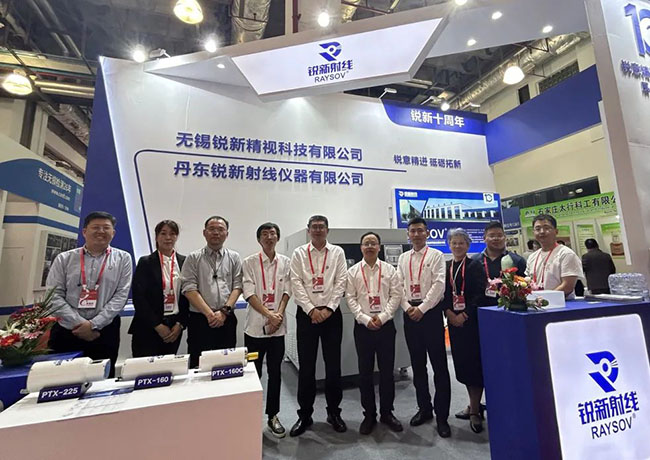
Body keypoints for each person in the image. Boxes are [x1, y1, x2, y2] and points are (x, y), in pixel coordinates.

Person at [46, 211, 132, 377]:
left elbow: (121, 296)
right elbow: (53, 295)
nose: (101, 231)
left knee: (102, 379)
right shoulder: (64, 259)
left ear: (113, 233)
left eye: (106, 228)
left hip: (104, 331)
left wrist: (93, 324)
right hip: (67, 330)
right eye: (96, 227)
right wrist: (80, 324)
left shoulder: (123, 259)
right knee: (62, 379)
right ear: (84, 231)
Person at [289, 215, 348, 437]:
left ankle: (334, 413)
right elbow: (296, 283)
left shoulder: (338, 252)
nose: (317, 230)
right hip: (307, 316)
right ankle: (305, 415)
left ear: (327, 230)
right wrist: (311, 310)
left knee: (333, 367)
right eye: (313, 227)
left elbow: (341, 281)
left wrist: (329, 309)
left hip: (332, 315)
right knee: (307, 367)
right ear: (308, 230)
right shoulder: (299, 253)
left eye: (321, 227)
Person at [396, 217, 451, 438]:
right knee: (418, 366)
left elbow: (439, 285)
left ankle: (442, 416)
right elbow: (398, 285)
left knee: (439, 366)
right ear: (408, 234)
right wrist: (408, 307)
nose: (417, 234)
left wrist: (422, 308)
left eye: (420, 230)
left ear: (427, 233)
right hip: (410, 314)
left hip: (431, 315)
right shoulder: (403, 258)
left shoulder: (436, 255)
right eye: (413, 231)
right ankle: (424, 409)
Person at [346, 232, 403, 435]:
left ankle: (387, 413)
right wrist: (365, 319)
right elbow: (350, 298)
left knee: (387, 372)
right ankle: (369, 415)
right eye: (366, 243)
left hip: (385, 327)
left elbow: (396, 295)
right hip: (363, 328)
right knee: (365, 373)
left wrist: (383, 316)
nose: (369, 246)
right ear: (361, 247)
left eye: (373, 243)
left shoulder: (389, 270)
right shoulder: (353, 272)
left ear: (379, 247)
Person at [242, 222, 291, 438]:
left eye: (272, 233)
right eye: (264, 234)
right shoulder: (249, 262)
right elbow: (249, 293)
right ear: (259, 239)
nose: (269, 237)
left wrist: (277, 316)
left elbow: (287, 291)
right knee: (253, 374)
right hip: (255, 329)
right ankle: (250, 418)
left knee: (275, 373)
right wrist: (269, 315)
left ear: (277, 237)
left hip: (277, 331)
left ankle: (273, 416)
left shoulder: (286, 262)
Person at [180, 216, 243, 368]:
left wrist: (224, 312)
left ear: (227, 234)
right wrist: (210, 314)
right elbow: (189, 288)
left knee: (226, 363)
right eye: (212, 229)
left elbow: (238, 286)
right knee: (198, 364)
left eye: (220, 229)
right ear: (204, 233)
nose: (216, 233)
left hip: (226, 318)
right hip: (200, 320)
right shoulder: (193, 258)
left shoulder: (234, 257)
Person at [443, 228, 488, 434]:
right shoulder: (446, 267)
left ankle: (475, 411)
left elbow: (480, 293)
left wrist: (465, 315)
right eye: (454, 242)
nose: (457, 246)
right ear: (449, 245)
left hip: (471, 323)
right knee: (462, 365)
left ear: (468, 245)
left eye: (461, 242)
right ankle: (473, 405)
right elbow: (443, 293)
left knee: (474, 366)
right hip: (454, 324)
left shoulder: (475, 265)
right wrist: (449, 313)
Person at [129, 220, 189, 357]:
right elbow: (139, 298)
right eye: (163, 233)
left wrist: (180, 324)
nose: (168, 237)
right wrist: (157, 325)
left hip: (174, 327)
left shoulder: (184, 262)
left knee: (168, 366)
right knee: (145, 366)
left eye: (172, 234)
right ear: (156, 237)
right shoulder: (145, 262)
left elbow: (187, 296)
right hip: (148, 326)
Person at [525, 214, 583, 298]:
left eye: (546, 228)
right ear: (533, 232)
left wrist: (545, 299)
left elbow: (567, 286)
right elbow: (528, 282)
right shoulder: (532, 257)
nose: (542, 232)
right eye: (538, 229)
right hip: (536, 303)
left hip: (562, 303)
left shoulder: (566, 254)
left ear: (556, 231)